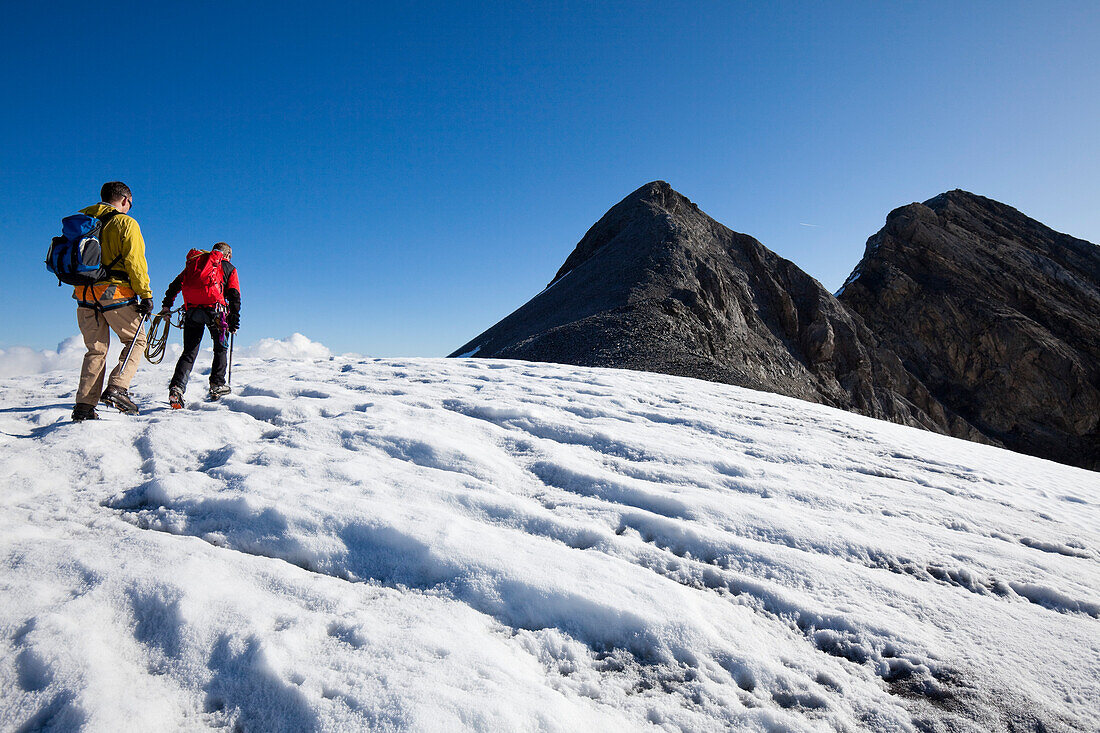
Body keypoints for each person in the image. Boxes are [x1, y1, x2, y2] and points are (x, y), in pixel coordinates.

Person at [72, 182, 154, 421]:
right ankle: (118, 388)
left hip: (84, 293)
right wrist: (146, 294)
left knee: (95, 351)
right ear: (125, 200)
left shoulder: (83, 219)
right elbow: (135, 262)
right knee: (137, 340)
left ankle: (84, 407)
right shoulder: (126, 223)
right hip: (114, 293)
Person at [161, 242, 241, 407]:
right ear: (227, 255)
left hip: (192, 312)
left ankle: (177, 388)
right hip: (217, 313)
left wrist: (166, 305)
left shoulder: (195, 264)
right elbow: (234, 294)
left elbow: (175, 285)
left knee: (189, 352)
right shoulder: (229, 268)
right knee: (220, 348)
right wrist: (234, 317)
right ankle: (217, 384)